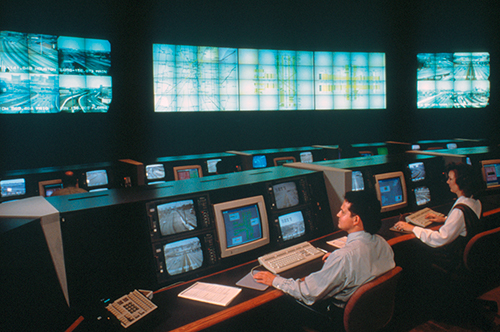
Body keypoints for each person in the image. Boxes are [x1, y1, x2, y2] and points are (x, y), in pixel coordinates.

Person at [253, 190, 395, 326]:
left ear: (356, 220)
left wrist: (275, 280)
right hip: (369, 315)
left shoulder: (343, 258)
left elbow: (308, 292)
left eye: (343, 212)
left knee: (281, 302)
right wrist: (336, 260)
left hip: (338, 319)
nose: (338, 214)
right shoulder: (382, 243)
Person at [394, 162, 483, 255]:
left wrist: (413, 228)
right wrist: (445, 219)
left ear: (461, 183)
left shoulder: (459, 211)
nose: (447, 181)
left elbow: (440, 239)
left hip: (455, 256)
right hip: (471, 252)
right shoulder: (475, 201)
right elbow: (464, 223)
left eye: (451, 179)